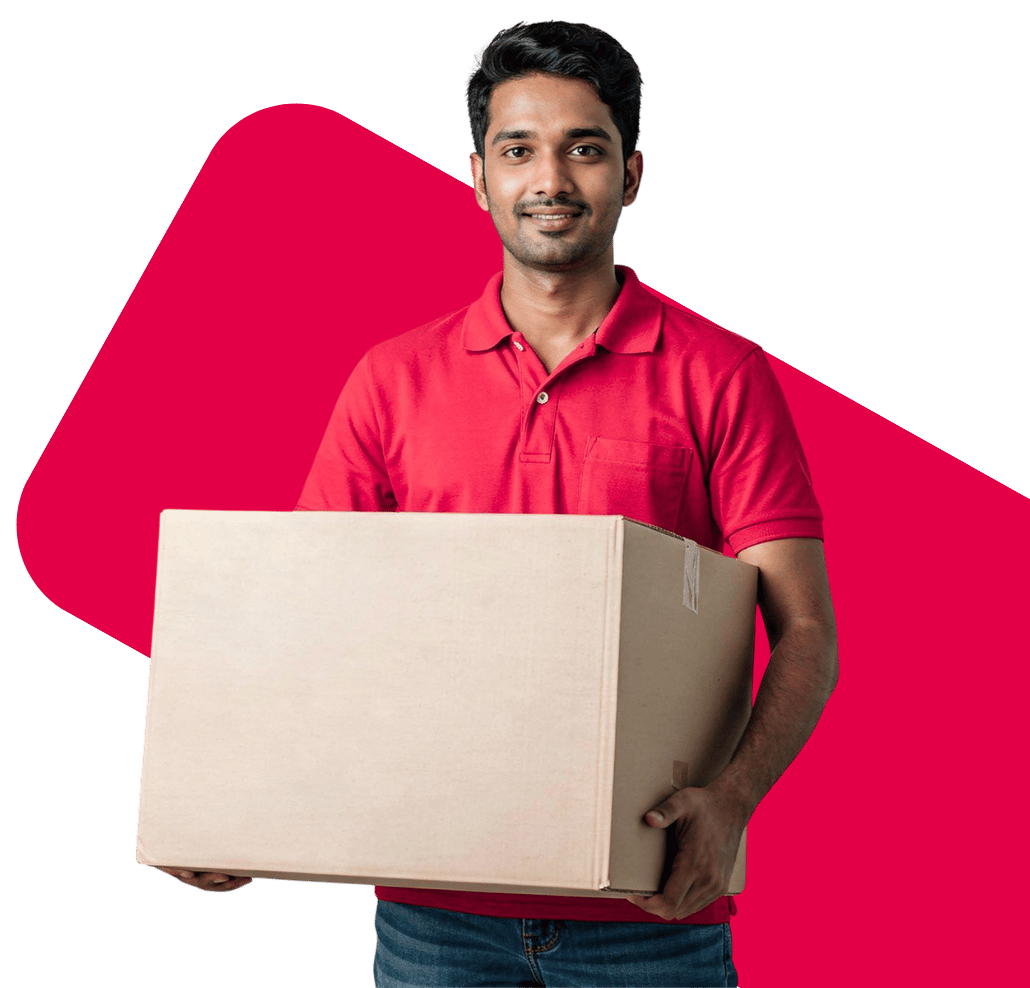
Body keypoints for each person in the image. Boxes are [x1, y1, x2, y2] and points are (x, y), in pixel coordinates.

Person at [158, 20, 838, 988]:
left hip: (650, 902)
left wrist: (730, 801)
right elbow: (302, 625)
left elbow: (805, 629)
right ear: (478, 176)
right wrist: (230, 809)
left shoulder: (720, 376)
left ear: (631, 175)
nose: (550, 179)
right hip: (433, 909)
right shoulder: (391, 380)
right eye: (518, 150)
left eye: (584, 149)